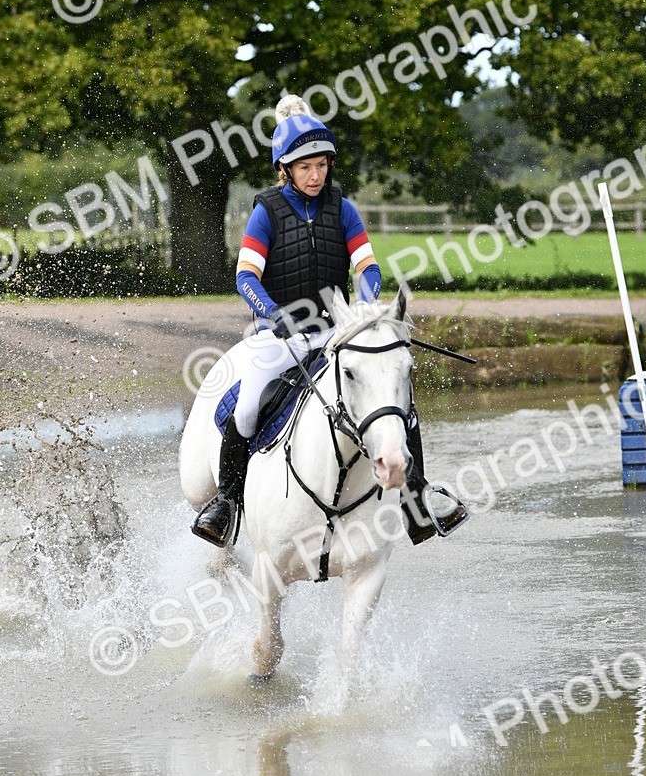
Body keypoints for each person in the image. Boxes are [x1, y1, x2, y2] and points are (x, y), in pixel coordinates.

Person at [191, 94, 468, 548]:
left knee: (398, 397)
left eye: (321, 165)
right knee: (248, 400)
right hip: (280, 336)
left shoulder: (343, 209)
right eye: (305, 167)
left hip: (336, 331)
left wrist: (360, 310)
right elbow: (246, 276)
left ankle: (417, 500)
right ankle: (226, 500)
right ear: (286, 169)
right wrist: (271, 313)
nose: (315, 175)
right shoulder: (266, 212)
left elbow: (369, 268)